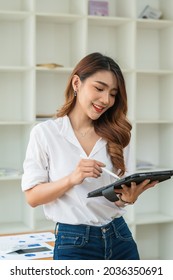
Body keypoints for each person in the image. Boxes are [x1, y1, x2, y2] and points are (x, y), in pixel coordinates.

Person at [21, 52, 158, 260]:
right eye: (99, 88)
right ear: (77, 83)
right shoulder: (45, 134)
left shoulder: (120, 134)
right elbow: (32, 197)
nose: (106, 100)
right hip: (74, 242)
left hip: (119, 236)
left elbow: (116, 200)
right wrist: (72, 178)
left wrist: (126, 199)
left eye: (113, 93)